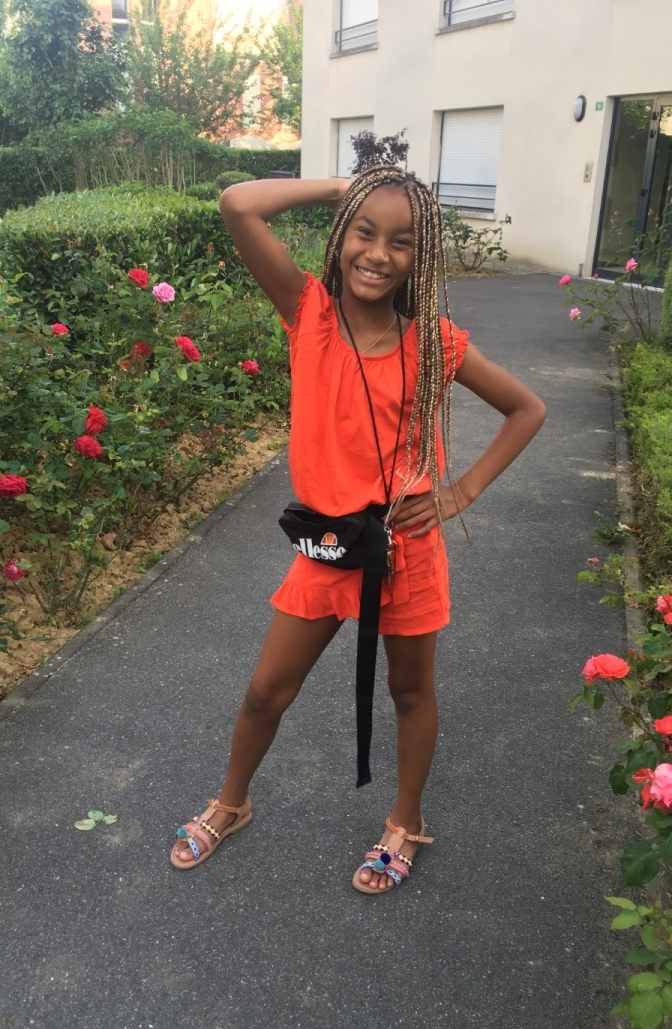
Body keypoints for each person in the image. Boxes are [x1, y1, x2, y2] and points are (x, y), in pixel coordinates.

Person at [170, 166, 546, 893]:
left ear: (420, 258)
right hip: (326, 549)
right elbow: (238, 204)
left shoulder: (434, 342)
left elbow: (526, 408)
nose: (378, 253)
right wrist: (344, 187)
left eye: (402, 242)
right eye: (365, 233)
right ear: (341, 236)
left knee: (410, 693)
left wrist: (459, 492)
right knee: (265, 692)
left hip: (406, 551)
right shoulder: (307, 312)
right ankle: (232, 801)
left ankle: (405, 820)